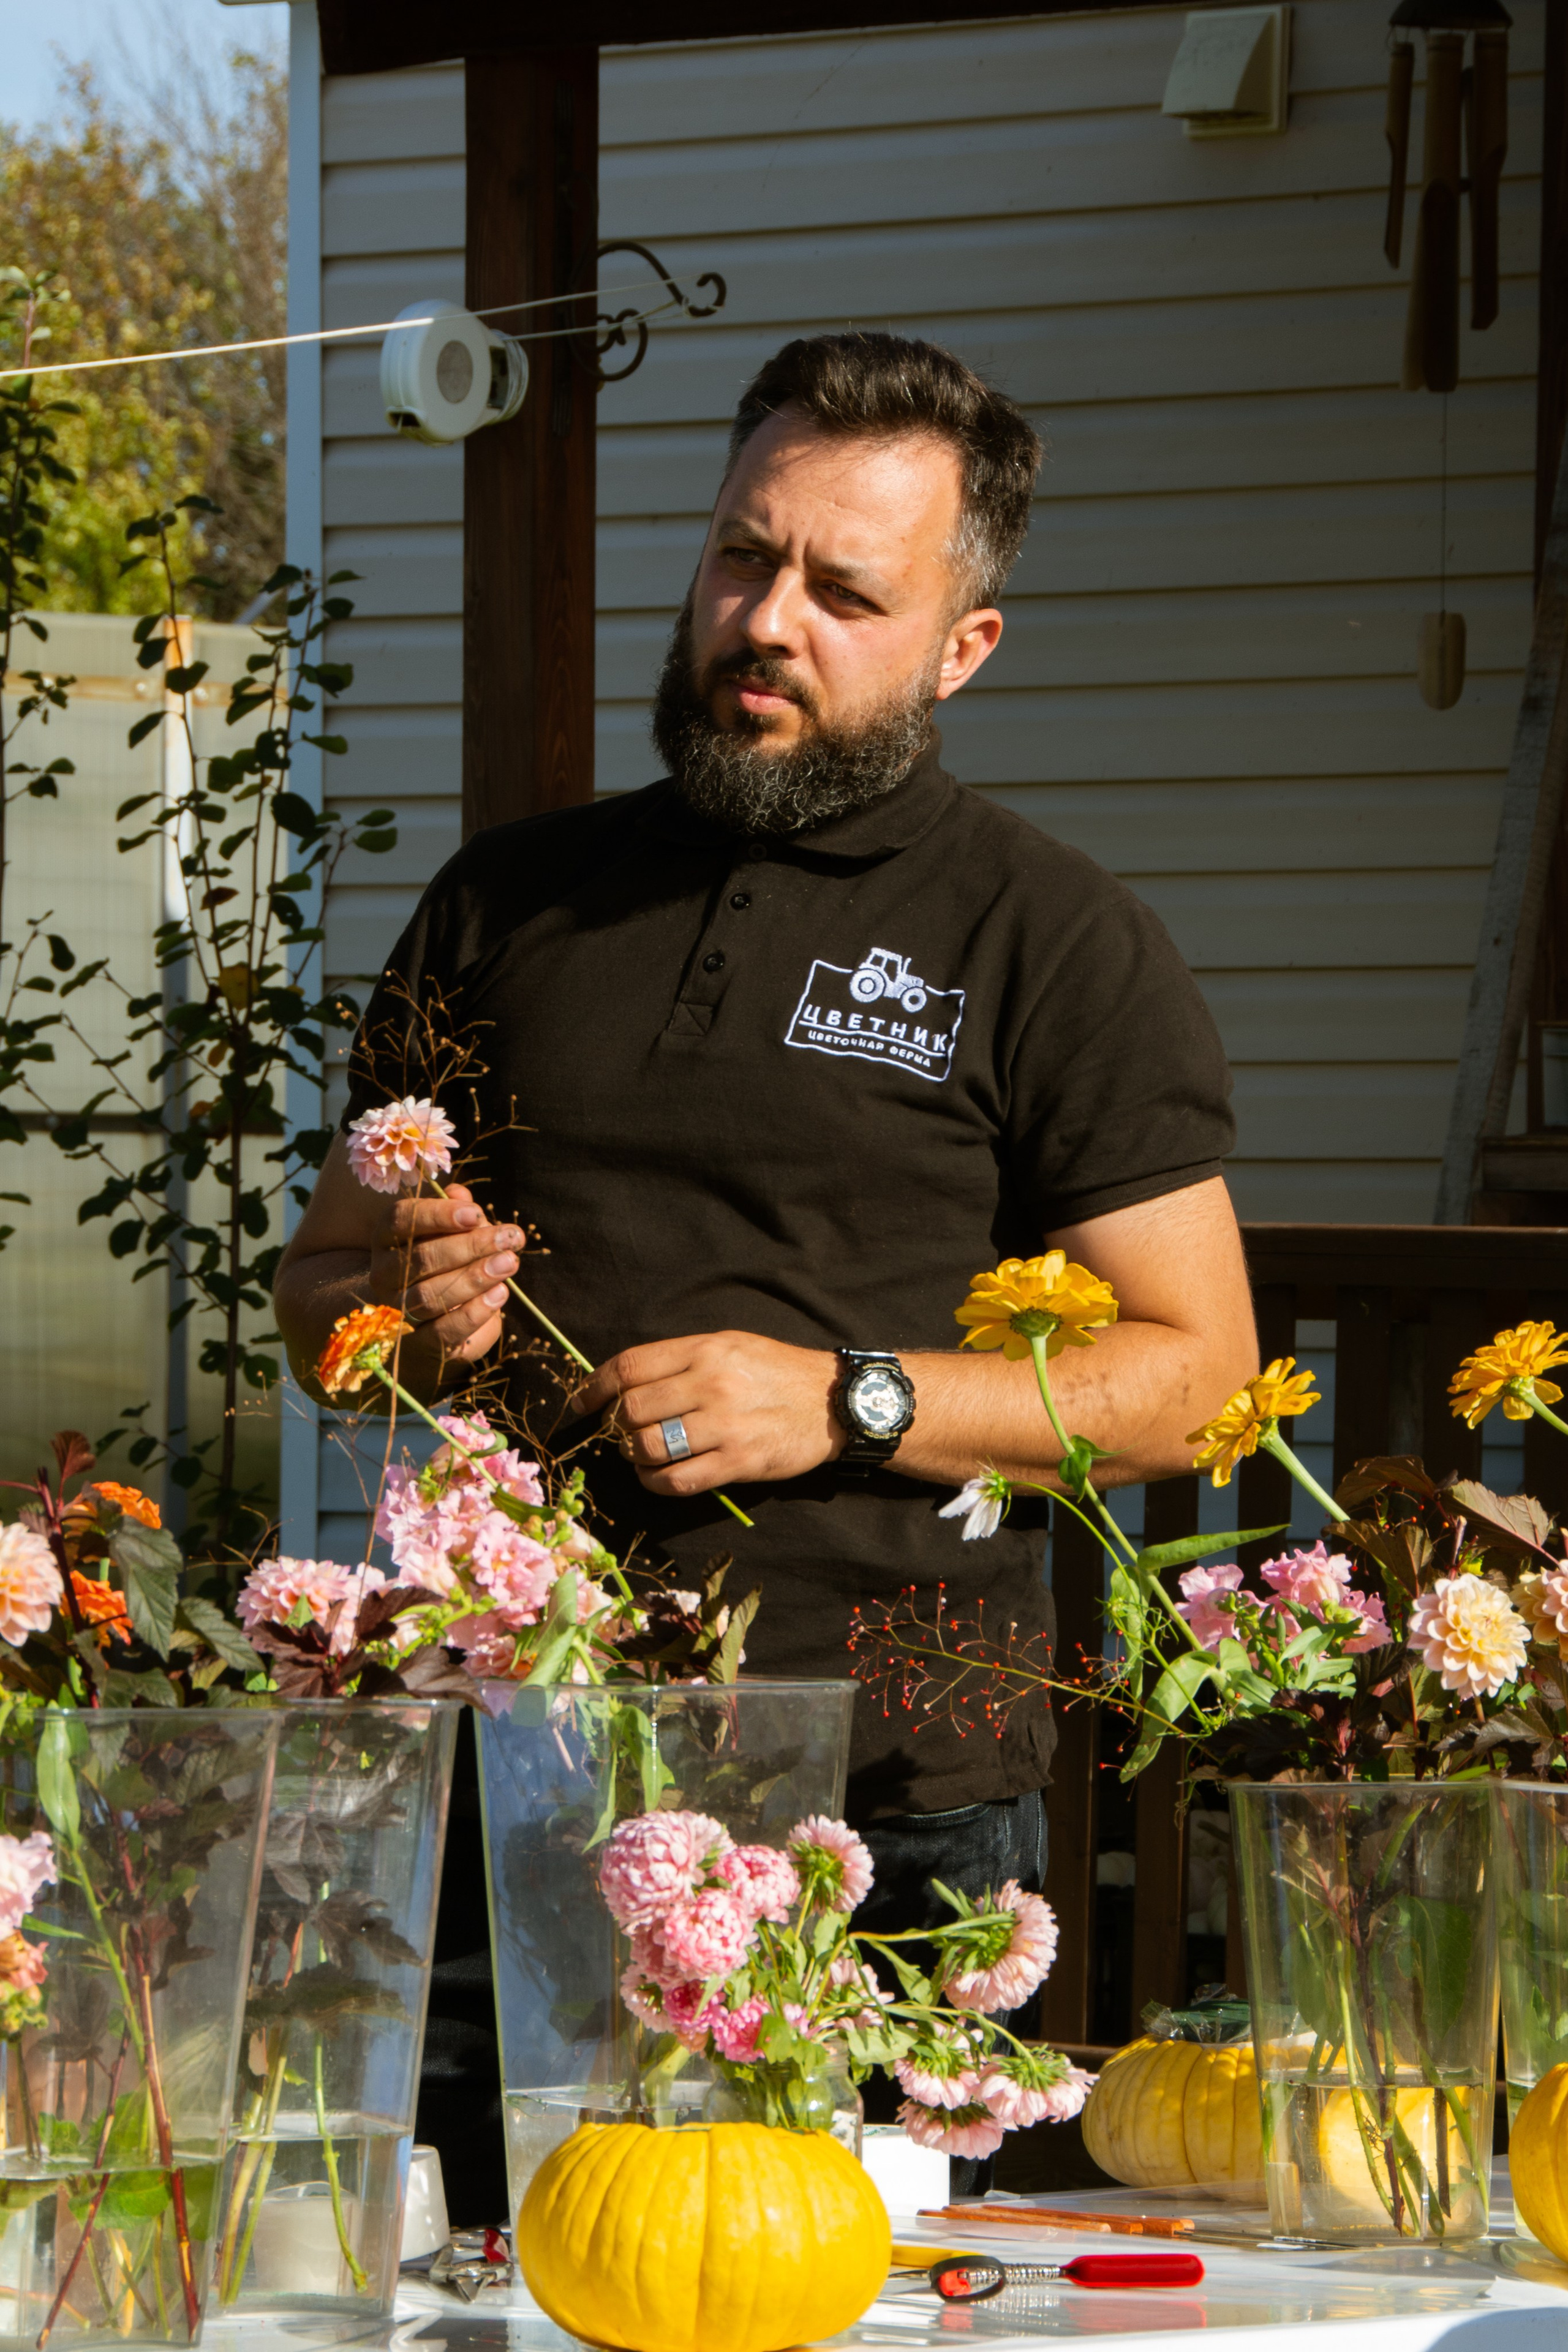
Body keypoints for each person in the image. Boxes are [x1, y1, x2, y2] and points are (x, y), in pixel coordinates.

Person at [274, 330, 1257, 2204]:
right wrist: (406, 1311)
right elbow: (325, 1299)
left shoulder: (1053, 939)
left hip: (894, 1801)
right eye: (744, 555)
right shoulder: (507, 900)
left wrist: (847, 1398)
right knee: (496, 2283)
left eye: (843, 589)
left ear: (963, 646)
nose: (766, 618)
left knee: (849, 2298)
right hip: (516, 1770)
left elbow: (1194, 1367)